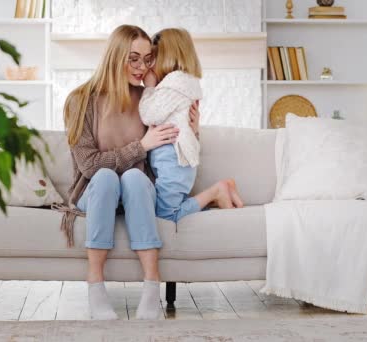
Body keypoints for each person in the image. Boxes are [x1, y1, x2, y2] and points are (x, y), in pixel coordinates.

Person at [60, 24, 242, 320]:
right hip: (94, 192)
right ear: (115, 57)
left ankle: (151, 287)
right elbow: (89, 166)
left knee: (134, 176)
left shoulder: (149, 98)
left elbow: (169, 147)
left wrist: (192, 131)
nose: (142, 67)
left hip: (137, 193)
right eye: (133, 58)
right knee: (106, 177)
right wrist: (140, 146)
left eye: (148, 59)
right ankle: (95, 285)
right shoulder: (81, 100)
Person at [140, 28, 243, 223]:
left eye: (153, 57)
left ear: (167, 56)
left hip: (173, 160)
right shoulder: (183, 83)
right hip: (174, 161)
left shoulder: (174, 84)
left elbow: (148, 115)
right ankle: (220, 194)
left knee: (166, 215)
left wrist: (149, 88)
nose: (149, 65)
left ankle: (217, 191)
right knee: (171, 207)